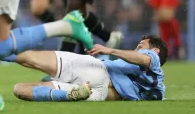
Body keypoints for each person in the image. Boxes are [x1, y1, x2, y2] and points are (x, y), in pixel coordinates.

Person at [12, 35, 167, 102]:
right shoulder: (158, 92)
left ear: (155, 51)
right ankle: (69, 95)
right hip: (99, 94)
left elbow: (145, 59)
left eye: (140, 46)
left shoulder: (152, 58)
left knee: (30, 58)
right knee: (20, 89)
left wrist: (110, 50)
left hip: (95, 70)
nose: (136, 50)